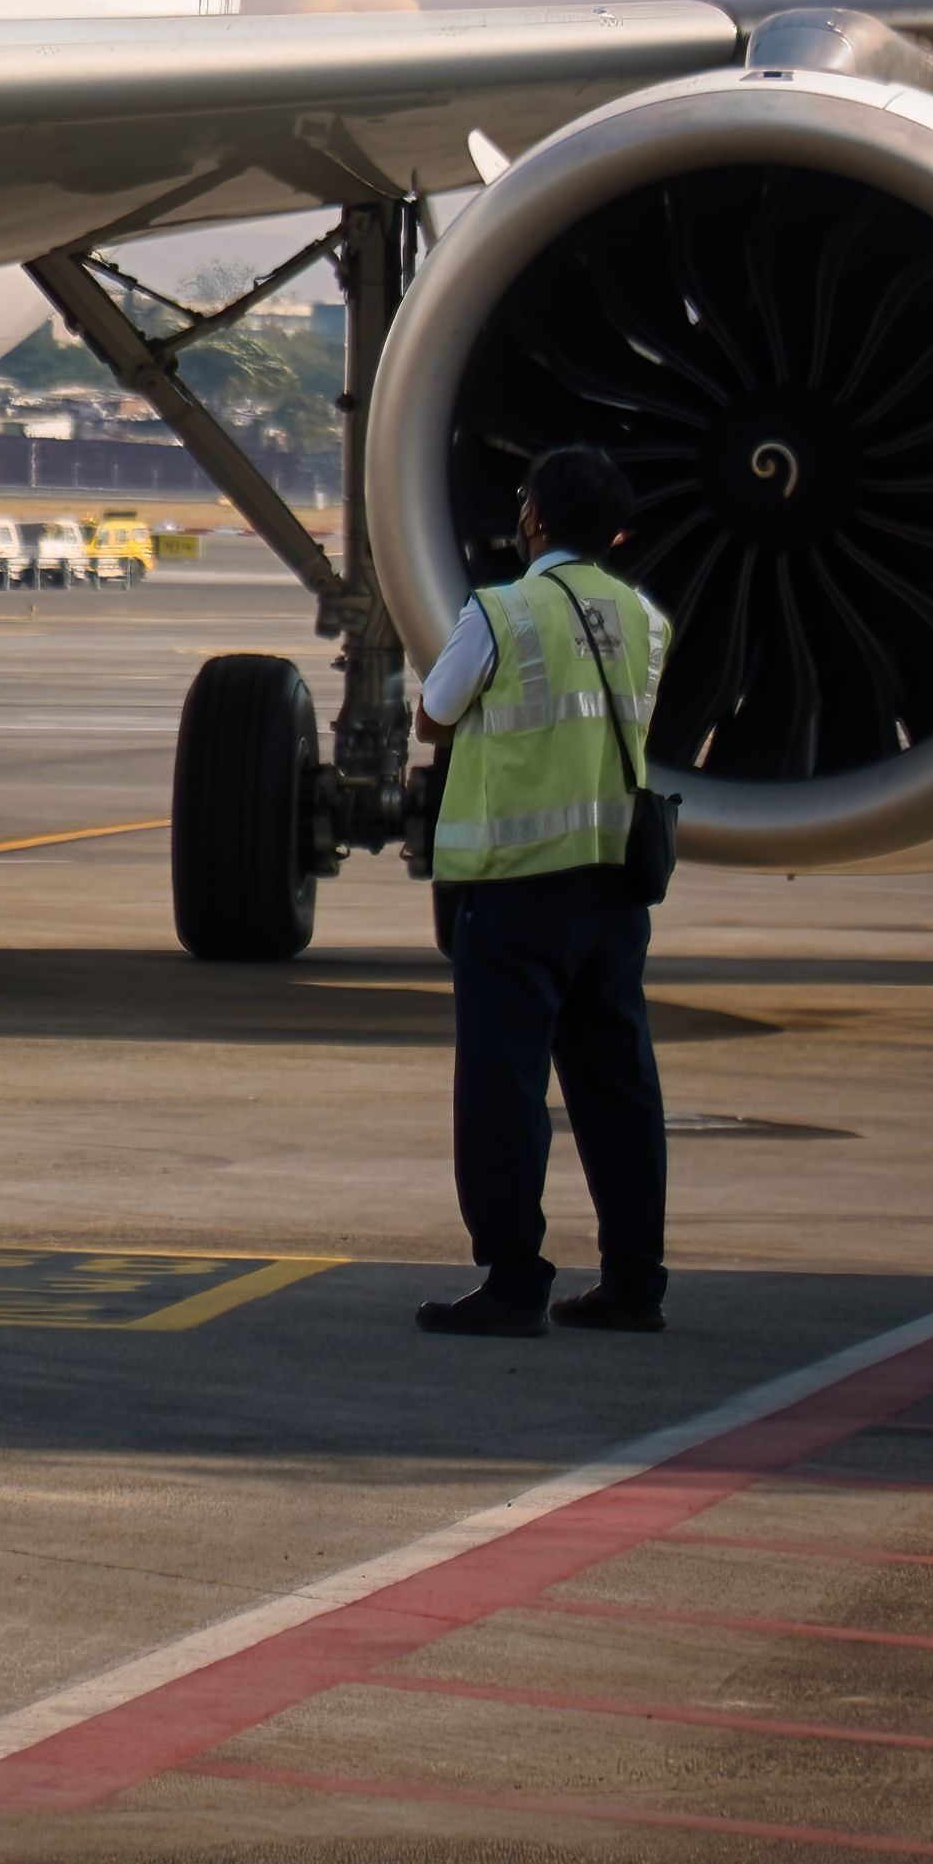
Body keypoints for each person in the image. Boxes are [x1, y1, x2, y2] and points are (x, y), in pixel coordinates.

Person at [415, 439, 677, 1338]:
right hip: (614, 887)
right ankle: (636, 1281)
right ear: (619, 529)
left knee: (504, 1087)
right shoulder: (646, 619)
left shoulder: (504, 612)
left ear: (530, 517)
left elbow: (436, 713)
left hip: (518, 886)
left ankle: (514, 1279)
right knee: (619, 1087)